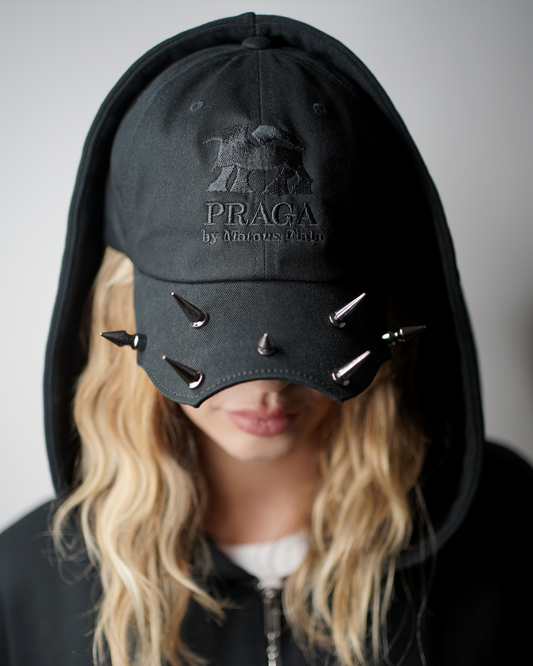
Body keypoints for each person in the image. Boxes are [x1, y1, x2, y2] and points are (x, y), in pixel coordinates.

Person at [0, 12, 532, 666]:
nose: (269, 380)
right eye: (206, 322)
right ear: (125, 307)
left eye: (318, 322)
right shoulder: (23, 586)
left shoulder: (507, 528)